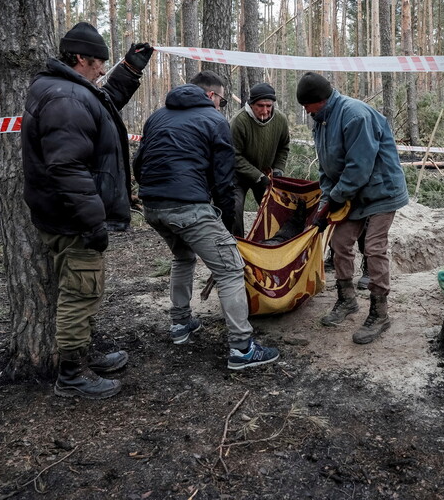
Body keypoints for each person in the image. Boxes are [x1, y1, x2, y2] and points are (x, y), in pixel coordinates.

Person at [22, 22, 153, 399]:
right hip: (72, 218)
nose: (101, 69)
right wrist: (93, 220)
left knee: (84, 289)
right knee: (81, 292)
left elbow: (103, 102)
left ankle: (84, 354)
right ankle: (72, 374)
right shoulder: (65, 99)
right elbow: (66, 168)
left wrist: (130, 70)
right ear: (80, 58)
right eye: (98, 63)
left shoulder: (68, 90)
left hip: (64, 214)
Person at [133, 71, 280, 370]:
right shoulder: (214, 121)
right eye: (222, 99)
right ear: (211, 95)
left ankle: (181, 323)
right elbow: (224, 180)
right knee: (230, 269)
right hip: (189, 206)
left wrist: (152, 193)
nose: (222, 105)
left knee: (183, 257)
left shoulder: (157, 117)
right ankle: (242, 348)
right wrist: (226, 222)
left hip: (153, 205)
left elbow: (138, 162)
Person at [297, 72, 409, 344]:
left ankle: (379, 313)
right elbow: (326, 166)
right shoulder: (320, 121)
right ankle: (347, 300)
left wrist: (337, 197)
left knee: (373, 247)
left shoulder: (354, 115)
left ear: (319, 100)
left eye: (306, 105)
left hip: (381, 191)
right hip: (352, 193)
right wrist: (326, 202)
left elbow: (359, 167)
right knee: (340, 243)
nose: (305, 111)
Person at [230, 82, 290, 237]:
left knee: (275, 209)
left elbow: (284, 147)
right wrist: (257, 176)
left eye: (269, 106)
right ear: (251, 104)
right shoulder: (239, 121)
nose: (265, 110)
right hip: (238, 176)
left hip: (265, 173)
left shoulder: (281, 120)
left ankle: (272, 243)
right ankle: (237, 247)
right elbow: (234, 155)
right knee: (234, 209)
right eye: (260, 106)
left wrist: (278, 169)